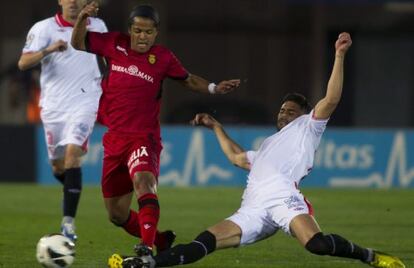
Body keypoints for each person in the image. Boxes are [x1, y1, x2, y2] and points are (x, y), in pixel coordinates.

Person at [126, 33, 406, 268]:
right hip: (253, 208)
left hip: (284, 198)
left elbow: (331, 98)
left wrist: (339, 55)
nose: (284, 114)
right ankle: (146, 264)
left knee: (317, 244)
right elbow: (237, 157)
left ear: (303, 115)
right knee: (206, 240)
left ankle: (370, 256)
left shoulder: (309, 127)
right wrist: (215, 126)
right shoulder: (269, 145)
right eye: (282, 109)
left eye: (291, 111)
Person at [70, 2, 241, 263]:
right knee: (116, 214)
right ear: (130, 30)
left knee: (144, 182)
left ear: (156, 33)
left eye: (148, 32)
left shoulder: (162, 58)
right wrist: (82, 17)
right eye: (138, 31)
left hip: (144, 138)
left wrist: (215, 88)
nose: (142, 37)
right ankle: (161, 240)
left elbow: (189, 79)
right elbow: (78, 42)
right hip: (115, 139)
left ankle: (146, 248)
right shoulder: (113, 43)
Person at [17, 0, 108, 242]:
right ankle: (71, 189)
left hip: (86, 101)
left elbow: (110, 57)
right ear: (61, 0)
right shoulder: (43, 29)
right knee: (59, 167)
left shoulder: (97, 25)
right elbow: (23, 63)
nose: (75, 2)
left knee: (72, 154)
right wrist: (47, 50)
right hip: (54, 107)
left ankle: (68, 224)